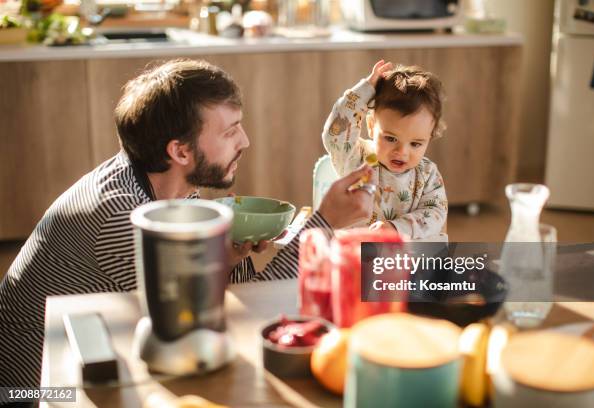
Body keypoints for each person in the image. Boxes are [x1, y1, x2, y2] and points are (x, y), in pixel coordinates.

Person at [0, 59, 375, 389]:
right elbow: (241, 315)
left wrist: (228, 257)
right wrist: (324, 223)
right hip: (42, 388)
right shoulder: (121, 218)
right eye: (229, 132)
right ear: (179, 151)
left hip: (104, 351)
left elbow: (223, 292)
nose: (244, 141)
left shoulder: (171, 190)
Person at [322, 60, 448, 239]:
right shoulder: (358, 159)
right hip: (356, 256)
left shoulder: (428, 174)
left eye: (415, 144)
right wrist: (365, 90)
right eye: (390, 138)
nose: (402, 152)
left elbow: (435, 215)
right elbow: (335, 134)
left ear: (430, 135)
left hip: (406, 259)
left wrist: (396, 228)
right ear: (372, 126)